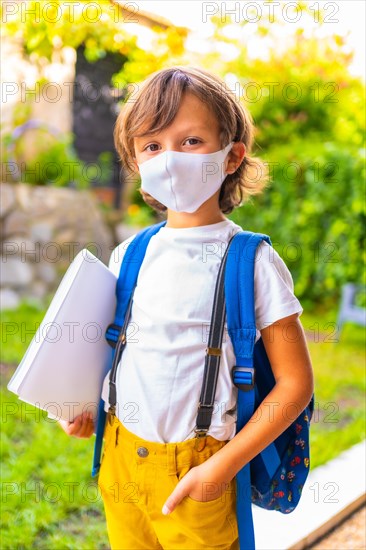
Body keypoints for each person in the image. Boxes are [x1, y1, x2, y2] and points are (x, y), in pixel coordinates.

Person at [59, 66, 314, 550]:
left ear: (232, 156)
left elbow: (296, 384)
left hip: (201, 471)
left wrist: (222, 466)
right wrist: (82, 405)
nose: (169, 158)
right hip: (118, 461)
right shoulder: (129, 252)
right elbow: (119, 350)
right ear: (136, 163)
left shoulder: (253, 261)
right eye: (152, 146)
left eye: (191, 141)